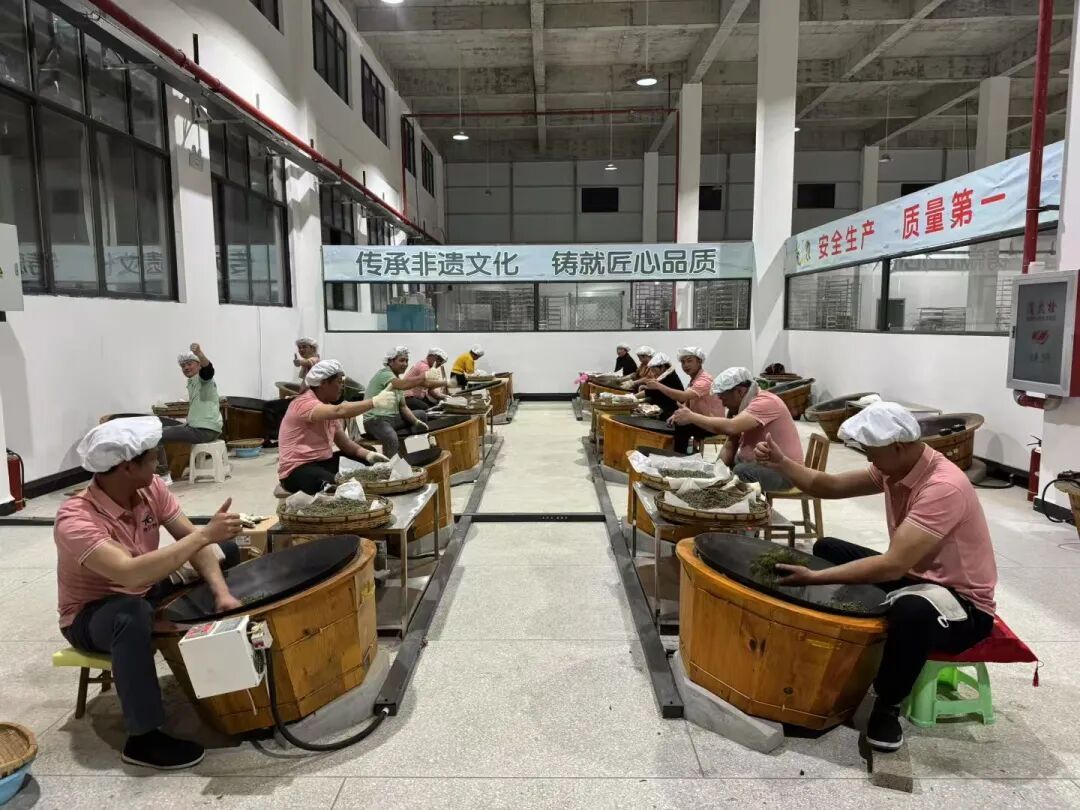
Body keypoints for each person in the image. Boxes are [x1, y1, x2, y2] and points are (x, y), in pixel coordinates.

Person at [753, 402, 997, 752]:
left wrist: (814, 577)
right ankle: (845, 643)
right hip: (916, 577)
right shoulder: (894, 468)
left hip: (961, 605)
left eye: (871, 451)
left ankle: (888, 705)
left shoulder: (943, 487)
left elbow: (893, 565)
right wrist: (781, 462)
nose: (868, 458)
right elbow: (827, 485)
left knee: (911, 612)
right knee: (828, 548)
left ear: (898, 446)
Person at [55, 417, 245, 770]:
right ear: (127, 467)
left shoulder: (150, 487)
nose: (159, 463)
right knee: (131, 615)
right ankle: (143, 738)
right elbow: (129, 574)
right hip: (94, 614)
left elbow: (190, 540)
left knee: (225, 552)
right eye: (152, 457)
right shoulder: (76, 520)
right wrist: (205, 535)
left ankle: (216, 648)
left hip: (144, 588)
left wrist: (221, 593)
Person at [670, 366, 802, 491]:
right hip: (758, 463)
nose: (723, 404)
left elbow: (731, 427)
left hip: (784, 471)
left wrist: (692, 417)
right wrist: (715, 470)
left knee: (741, 471)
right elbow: (730, 444)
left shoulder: (765, 402)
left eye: (724, 399)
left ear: (740, 391)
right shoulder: (742, 407)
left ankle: (746, 506)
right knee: (728, 467)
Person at [278, 360, 392, 494]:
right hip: (297, 470)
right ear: (323, 383)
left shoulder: (327, 408)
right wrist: (374, 402)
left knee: (365, 458)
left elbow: (346, 445)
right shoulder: (303, 403)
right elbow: (340, 410)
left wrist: (369, 455)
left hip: (323, 462)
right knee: (328, 483)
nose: (342, 387)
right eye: (339, 382)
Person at [156, 343, 223, 485]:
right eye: (183, 366)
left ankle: (163, 475)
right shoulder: (192, 382)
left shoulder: (203, 379)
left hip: (204, 430)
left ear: (198, 365)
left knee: (156, 436)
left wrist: (199, 353)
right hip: (198, 427)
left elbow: (208, 370)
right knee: (159, 427)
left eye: (189, 364)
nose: (186, 368)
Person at [642, 347, 724, 453]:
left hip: (711, 424)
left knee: (681, 426)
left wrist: (658, 386)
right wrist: (677, 414)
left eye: (689, 361)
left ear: (699, 361)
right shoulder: (694, 379)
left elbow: (682, 397)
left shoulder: (705, 380)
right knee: (674, 421)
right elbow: (686, 402)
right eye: (683, 362)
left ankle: (679, 455)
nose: (686, 365)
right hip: (699, 420)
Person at [364, 347, 430, 458]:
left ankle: (415, 454)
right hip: (375, 420)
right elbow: (403, 384)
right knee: (391, 437)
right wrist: (425, 376)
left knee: (421, 415)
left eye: (406, 361)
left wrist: (416, 422)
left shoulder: (397, 379)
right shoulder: (384, 374)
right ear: (390, 361)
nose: (405, 364)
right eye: (401, 360)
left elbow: (403, 407)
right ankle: (391, 465)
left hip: (392, 418)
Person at [632, 352, 684, 420]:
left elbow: (650, 391)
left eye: (654, 370)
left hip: (667, 413)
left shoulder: (669, 377)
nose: (653, 373)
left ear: (663, 367)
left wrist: (631, 398)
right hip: (660, 408)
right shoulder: (665, 375)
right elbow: (651, 392)